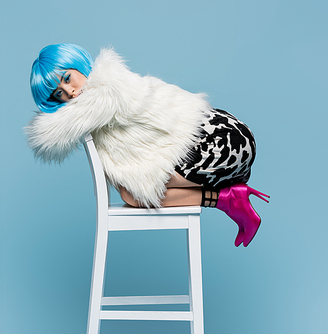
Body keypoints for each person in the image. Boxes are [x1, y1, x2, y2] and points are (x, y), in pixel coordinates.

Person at [27, 43, 269, 247]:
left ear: (79, 65)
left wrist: (46, 126)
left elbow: (55, 130)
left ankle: (226, 199)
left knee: (133, 195)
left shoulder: (106, 89)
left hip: (220, 139)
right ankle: (224, 199)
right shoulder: (89, 109)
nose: (69, 92)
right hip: (211, 141)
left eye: (67, 79)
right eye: (59, 94)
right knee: (132, 194)